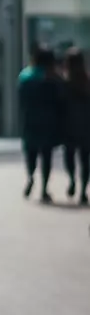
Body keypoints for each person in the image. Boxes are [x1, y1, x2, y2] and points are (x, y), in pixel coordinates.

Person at [18, 47, 65, 203]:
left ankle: (31, 176)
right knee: (46, 156)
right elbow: (61, 102)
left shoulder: (25, 77)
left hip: (30, 120)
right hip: (49, 122)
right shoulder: (55, 78)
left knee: (30, 153)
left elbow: (21, 101)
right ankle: (44, 187)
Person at [62, 48, 90, 205]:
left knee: (70, 156)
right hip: (86, 126)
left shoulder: (64, 84)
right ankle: (83, 190)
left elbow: (59, 106)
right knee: (85, 159)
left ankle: (72, 179)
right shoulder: (87, 83)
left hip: (69, 126)